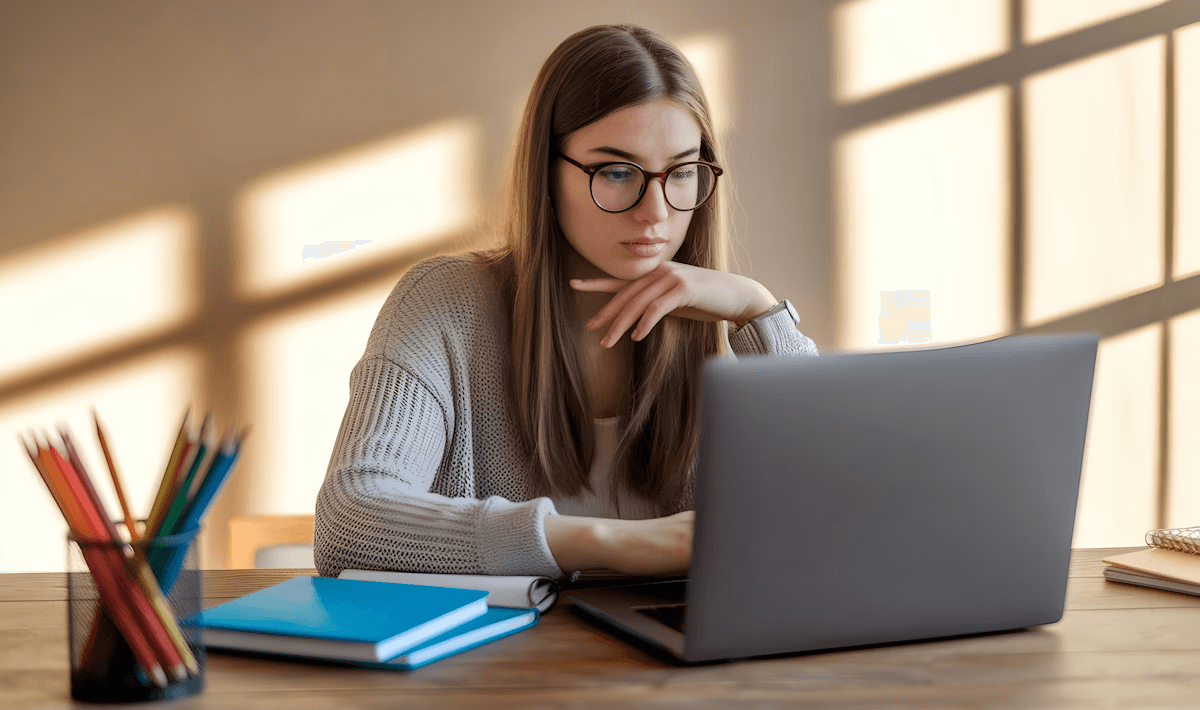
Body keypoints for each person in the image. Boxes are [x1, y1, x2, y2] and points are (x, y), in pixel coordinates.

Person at [313, 23, 818, 581]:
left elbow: (839, 509)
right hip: (499, 665)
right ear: (547, 175)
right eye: (618, 172)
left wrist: (759, 311)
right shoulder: (442, 306)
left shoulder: (728, 324)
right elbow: (348, 523)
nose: (655, 212)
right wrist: (606, 541)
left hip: (688, 663)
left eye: (679, 172)